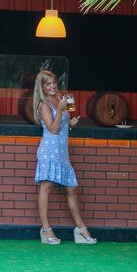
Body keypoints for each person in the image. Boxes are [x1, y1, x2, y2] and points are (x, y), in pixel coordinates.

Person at [32, 70, 96, 245]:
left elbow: (61, 125)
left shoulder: (60, 98)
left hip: (62, 152)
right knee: (47, 187)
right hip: (49, 151)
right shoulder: (43, 105)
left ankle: (80, 229)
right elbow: (53, 129)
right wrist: (60, 111)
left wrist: (70, 123)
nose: (53, 86)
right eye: (48, 84)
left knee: (72, 189)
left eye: (54, 82)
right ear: (42, 87)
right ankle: (46, 229)